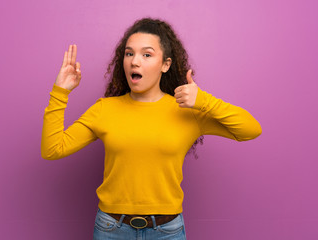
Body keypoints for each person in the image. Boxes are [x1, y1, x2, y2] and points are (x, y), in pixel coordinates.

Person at [41, 18, 262, 240]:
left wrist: (204, 100)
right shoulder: (104, 109)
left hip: (167, 231)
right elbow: (53, 149)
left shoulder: (186, 111)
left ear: (165, 64)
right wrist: (61, 92)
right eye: (129, 54)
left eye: (146, 55)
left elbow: (250, 129)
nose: (135, 61)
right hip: (111, 229)